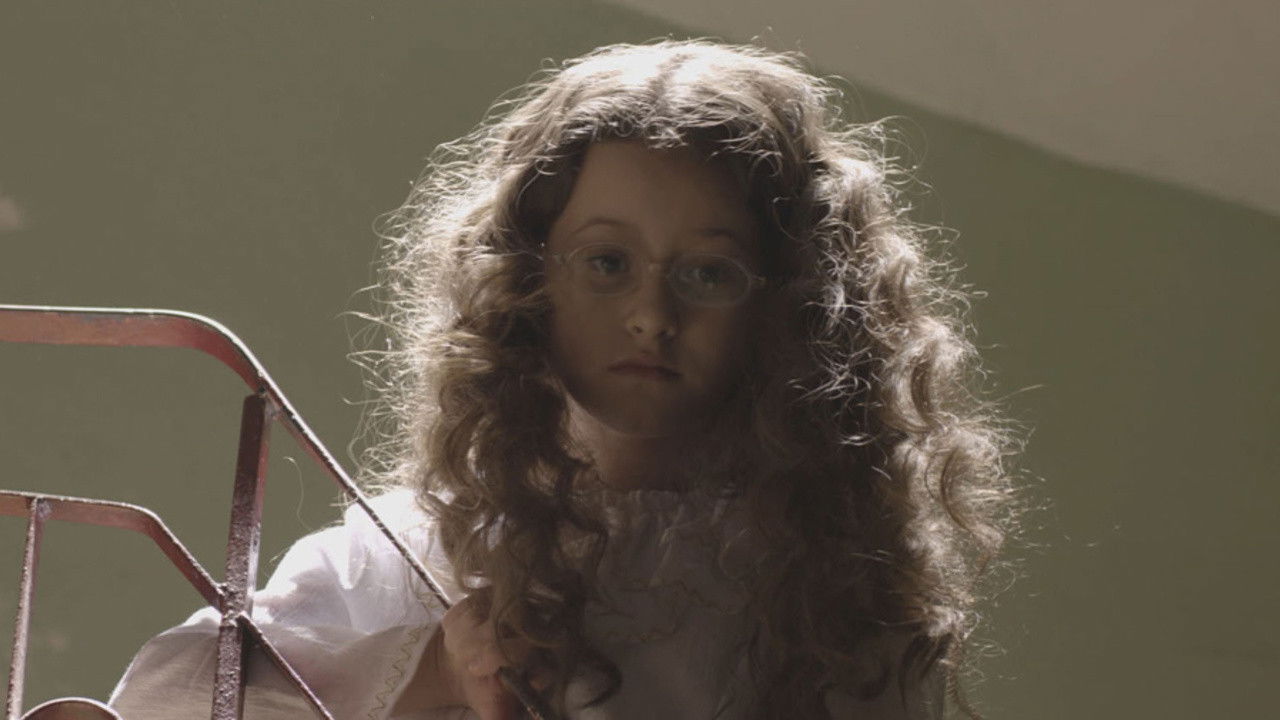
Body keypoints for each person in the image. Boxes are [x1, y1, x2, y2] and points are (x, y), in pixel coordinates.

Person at [110, 39, 1019, 719]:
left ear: (791, 307)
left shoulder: (834, 600)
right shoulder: (417, 547)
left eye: (708, 273)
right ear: (525, 278)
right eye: (607, 262)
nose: (651, 314)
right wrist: (433, 671)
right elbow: (157, 700)